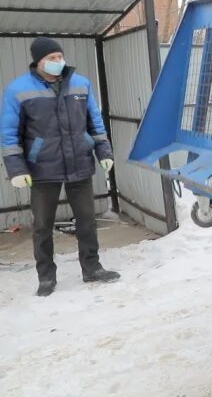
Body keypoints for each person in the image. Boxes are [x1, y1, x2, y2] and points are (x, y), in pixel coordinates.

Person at [1, 37, 121, 297]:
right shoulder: (18, 90)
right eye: (51, 58)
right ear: (38, 61)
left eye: (59, 56)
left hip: (79, 161)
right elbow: (10, 134)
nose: (58, 62)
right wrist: (17, 169)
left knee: (87, 221)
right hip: (42, 167)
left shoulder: (81, 84)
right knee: (43, 225)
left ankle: (92, 268)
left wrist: (104, 151)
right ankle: (46, 277)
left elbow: (95, 123)